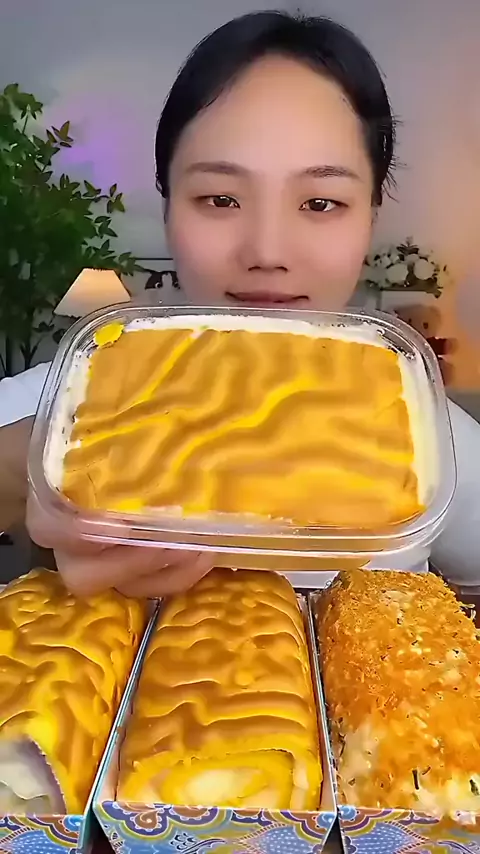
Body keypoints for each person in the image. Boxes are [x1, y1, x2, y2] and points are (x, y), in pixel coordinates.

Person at [1, 10, 480, 596]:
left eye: (321, 203)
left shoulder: (428, 436)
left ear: (371, 216)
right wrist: (28, 466)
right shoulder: (67, 399)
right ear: (169, 205)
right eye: (221, 199)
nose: (267, 252)